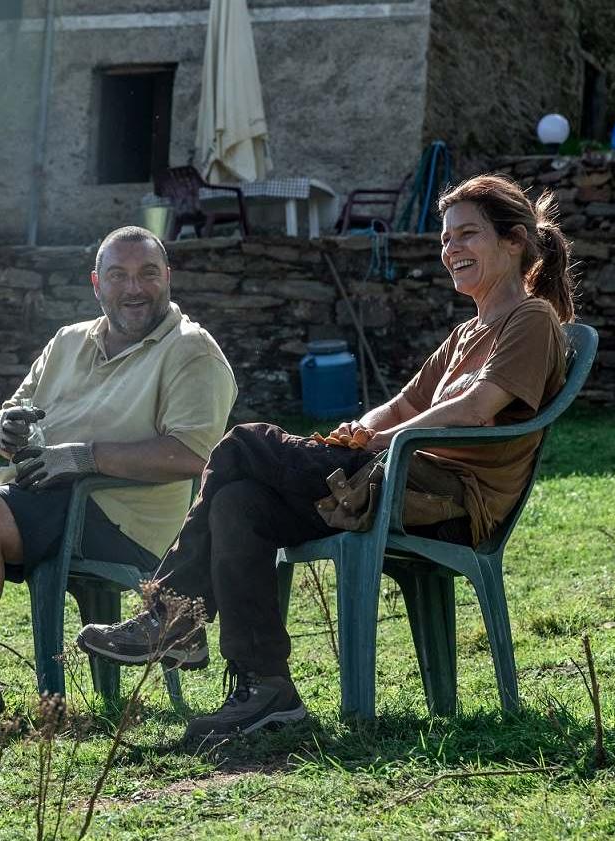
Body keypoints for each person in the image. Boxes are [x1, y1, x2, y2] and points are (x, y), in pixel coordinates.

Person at [78, 174, 578, 743]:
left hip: (446, 500)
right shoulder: (469, 331)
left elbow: (478, 406)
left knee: (244, 443)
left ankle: (173, 616)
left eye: (467, 235)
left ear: (513, 242)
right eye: (445, 239)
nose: (450, 250)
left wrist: (386, 440)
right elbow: (405, 401)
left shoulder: (530, 318)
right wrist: (360, 430)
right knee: (238, 503)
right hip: (394, 481)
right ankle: (266, 689)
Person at [0, 225, 237, 739]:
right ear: (97, 283)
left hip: (120, 515)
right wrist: (3, 428)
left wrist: (84, 457)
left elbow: (192, 455)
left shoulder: (191, 350)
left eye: (147, 273)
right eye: (118, 276)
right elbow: (8, 420)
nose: (134, 288)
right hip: (37, 491)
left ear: (168, 277)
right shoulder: (69, 341)